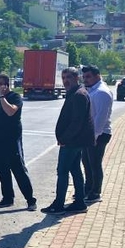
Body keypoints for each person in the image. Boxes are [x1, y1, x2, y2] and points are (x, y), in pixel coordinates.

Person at [41, 68, 95, 215]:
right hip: (75, 140)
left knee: (62, 171)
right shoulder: (75, 93)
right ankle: (79, 202)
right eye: (63, 77)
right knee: (75, 170)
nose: (65, 80)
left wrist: (64, 139)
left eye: (69, 77)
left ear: (77, 78)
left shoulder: (78, 95)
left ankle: (59, 204)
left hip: (72, 141)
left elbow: (77, 122)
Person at [0, 74, 37, 211]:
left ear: (7, 85)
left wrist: (2, 97)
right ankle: (8, 198)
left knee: (18, 170)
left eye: (0, 84)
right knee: (2, 170)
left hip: (12, 140)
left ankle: (30, 200)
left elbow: (10, 111)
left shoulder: (15, 97)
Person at [81, 65, 113, 204]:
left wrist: (94, 136)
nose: (85, 79)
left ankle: (95, 192)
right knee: (87, 162)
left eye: (88, 76)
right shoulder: (93, 90)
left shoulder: (101, 92)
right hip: (91, 134)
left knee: (94, 163)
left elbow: (101, 117)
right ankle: (87, 189)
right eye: (84, 77)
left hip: (99, 134)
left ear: (97, 76)